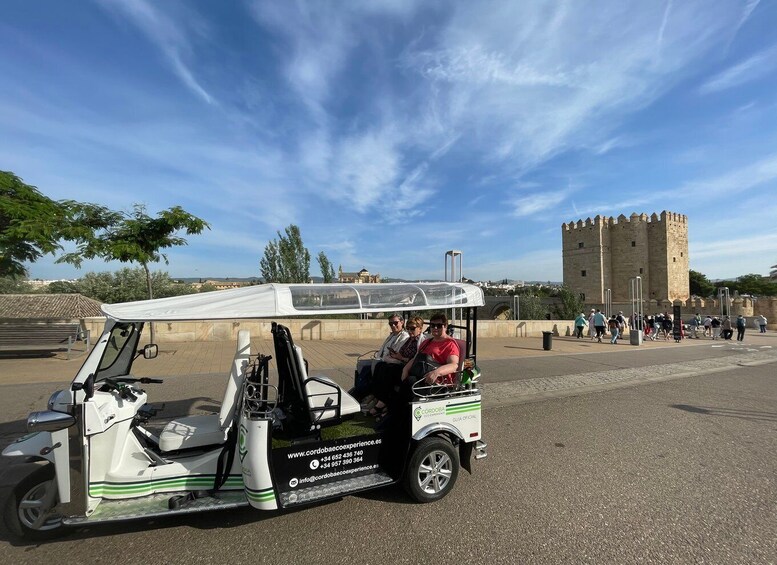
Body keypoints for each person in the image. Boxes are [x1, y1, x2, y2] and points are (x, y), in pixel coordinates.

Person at [369, 316, 425, 417]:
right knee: (380, 366)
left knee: (389, 370)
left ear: (420, 328)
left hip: (408, 368)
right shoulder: (409, 340)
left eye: (412, 328)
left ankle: (382, 403)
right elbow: (401, 354)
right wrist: (396, 356)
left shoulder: (420, 342)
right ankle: (378, 397)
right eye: (408, 328)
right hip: (401, 363)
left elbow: (416, 359)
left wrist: (401, 358)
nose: (410, 331)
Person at [401, 313, 460, 398]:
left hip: (437, 383)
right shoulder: (427, 342)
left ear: (445, 326)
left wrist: (437, 372)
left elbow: (454, 365)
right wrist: (405, 369)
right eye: (432, 325)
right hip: (420, 375)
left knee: (410, 382)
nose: (435, 328)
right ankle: (383, 405)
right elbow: (416, 358)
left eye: (439, 325)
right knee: (390, 370)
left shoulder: (450, 344)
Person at [357, 314, 409, 403]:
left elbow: (395, 353)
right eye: (390, 324)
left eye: (395, 323)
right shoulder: (392, 335)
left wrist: (382, 358)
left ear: (402, 322)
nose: (393, 325)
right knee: (362, 364)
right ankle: (362, 391)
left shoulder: (404, 336)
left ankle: (369, 394)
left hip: (389, 361)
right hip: (381, 358)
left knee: (374, 367)